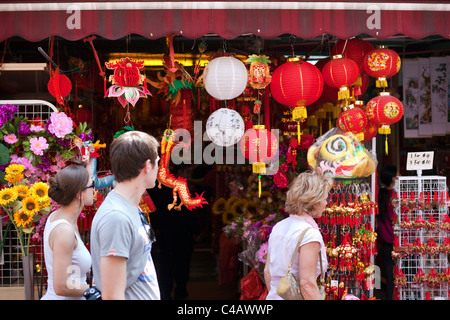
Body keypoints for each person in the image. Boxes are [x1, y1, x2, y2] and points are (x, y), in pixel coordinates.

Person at [90, 131, 160, 300]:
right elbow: (112, 296)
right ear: (147, 166)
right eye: (158, 163)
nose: (159, 168)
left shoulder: (131, 208)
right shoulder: (116, 217)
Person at [264, 170, 333, 300]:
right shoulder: (309, 234)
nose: (326, 203)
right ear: (314, 200)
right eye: (324, 198)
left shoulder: (279, 226)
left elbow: (268, 272)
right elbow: (307, 284)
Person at [41, 165, 94, 300]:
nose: (94, 189)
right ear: (79, 193)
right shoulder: (64, 230)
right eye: (91, 185)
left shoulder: (59, 218)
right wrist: (98, 290)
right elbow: (62, 286)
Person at [148, 164, 199, 300]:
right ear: (179, 171)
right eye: (187, 171)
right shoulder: (178, 188)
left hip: (171, 233)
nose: (189, 174)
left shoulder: (164, 187)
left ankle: (170, 291)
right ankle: (176, 290)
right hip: (175, 233)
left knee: (169, 263)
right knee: (177, 263)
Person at [377, 165, 398, 300]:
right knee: (400, 278)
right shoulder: (394, 197)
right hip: (397, 244)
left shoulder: (380, 195)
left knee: (391, 279)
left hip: (385, 244)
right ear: (393, 178)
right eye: (398, 174)